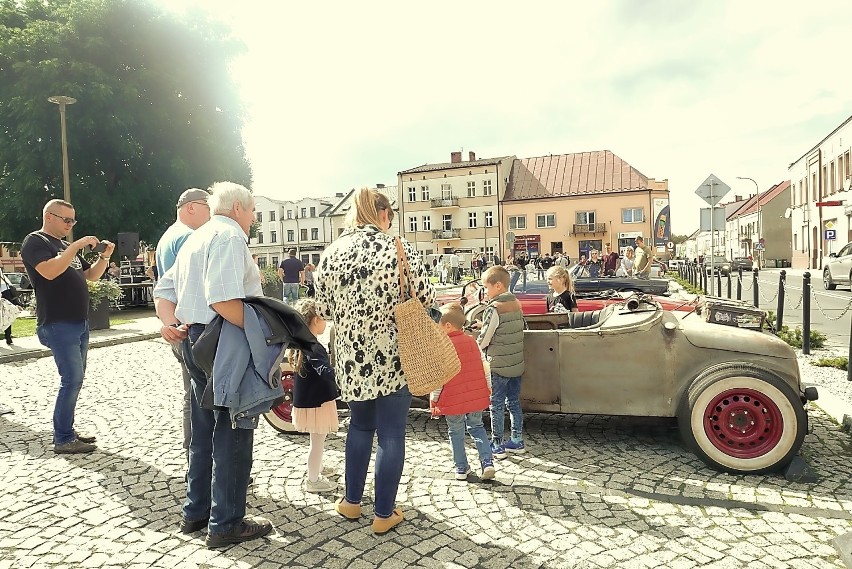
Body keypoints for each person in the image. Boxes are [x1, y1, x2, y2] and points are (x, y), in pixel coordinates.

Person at [153, 182, 272, 548]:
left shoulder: (195, 237)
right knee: (233, 430)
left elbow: (163, 290)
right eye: (253, 210)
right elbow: (223, 300)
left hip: (195, 340)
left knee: (202, 429)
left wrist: (170, 324)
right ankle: (225, 523)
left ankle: (197, 511)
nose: (254, 218)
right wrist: (264, 332)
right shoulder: (229, 236)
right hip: (222, 341)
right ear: (238, 207)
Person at [315, 187, 434, 535]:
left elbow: (323, 310)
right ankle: (383, 514)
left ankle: (351, 503)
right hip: (393, 357)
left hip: (352, 357)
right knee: (392, 433)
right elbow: (424, 296)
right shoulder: (397, 247)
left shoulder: (332, 252)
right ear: (383, 214)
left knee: (359, 426)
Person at [20, 199, 115, 453]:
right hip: (57, 322)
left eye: (73, 220)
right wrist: (75, 246)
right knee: (71, 379)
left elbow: (90, 276)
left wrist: (104, 256)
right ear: (49, 216)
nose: (70, 225)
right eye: (66, 220)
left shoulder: (63, 246)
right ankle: (63, 438)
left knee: (76, 379)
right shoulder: (35, 241)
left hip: (79, 322)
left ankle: (67, 430)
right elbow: (49, 272)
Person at [154, 187, 212, 461]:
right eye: (207, 206)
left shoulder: (167, 237)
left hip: (177, 324)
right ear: (191, 207)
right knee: (201, 397)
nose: (211, 213)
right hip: (190, 326)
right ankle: (200, 461)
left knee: (191, 395)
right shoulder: (190, 237)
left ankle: (195, 459)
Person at [430, 303, 495, 481]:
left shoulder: (443, 347)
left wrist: (434, 398)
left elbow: (440, 377)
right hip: (475, 395)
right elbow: (485, 367)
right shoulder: (472, 342)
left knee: (455, 432)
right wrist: (488, 387)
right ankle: (487, 462)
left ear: (448, 326)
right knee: (477, 427)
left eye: (438, 325)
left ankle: (461, 467)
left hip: (452, 398)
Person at [289, 298, 338, 493]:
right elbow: (324, 371)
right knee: (317, 442)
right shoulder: (313, 347)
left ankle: (317, 467)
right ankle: (313, 479)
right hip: (317, 403)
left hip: (310, 401)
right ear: (316, 319)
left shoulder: (302, 343)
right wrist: (341, 375)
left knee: (317, 440)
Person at [477, 266, 525, 459]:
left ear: (497, 286)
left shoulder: (494, 307)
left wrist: (476, 346)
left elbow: (486, 337)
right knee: (513, 402)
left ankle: (497, 444)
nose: (485, 292)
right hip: (516, 362)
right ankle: (517, 439)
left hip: (498, 364)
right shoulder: (515, 302)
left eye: (486, 288)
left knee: (496, 404)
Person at [1, 268, 23, 345]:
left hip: (3, 293)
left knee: (6, 315)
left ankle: (8, 336)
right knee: (7, 315)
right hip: (6, 292)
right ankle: (8, 337)